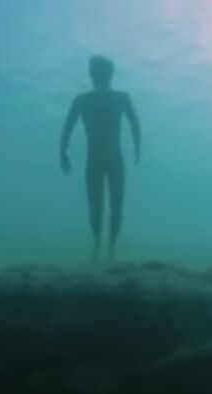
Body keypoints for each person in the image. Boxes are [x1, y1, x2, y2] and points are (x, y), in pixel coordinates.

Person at [59, 55, 142, 263]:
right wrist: (63, 151)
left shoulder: (119, 98)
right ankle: (99, 245)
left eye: (100, 70)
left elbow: (134, 123)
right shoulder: (83, 100)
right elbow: (67, 127)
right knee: (96, 207)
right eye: (97, 71)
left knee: (115, 206)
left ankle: (110, 247)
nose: (99, 75)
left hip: (111, 159)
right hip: (99, 160)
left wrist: (138, 145)